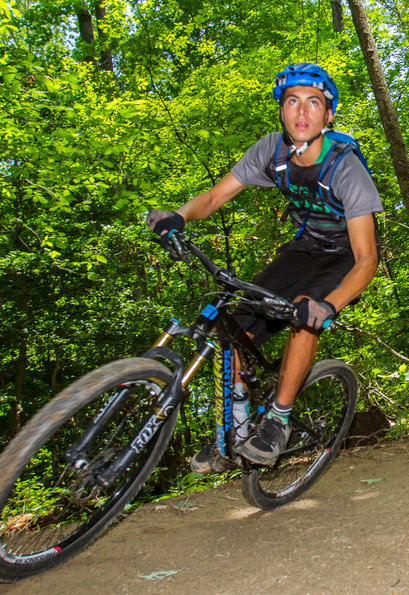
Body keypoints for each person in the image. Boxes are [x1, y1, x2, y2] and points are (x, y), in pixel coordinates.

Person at [146, 63, 383, 471]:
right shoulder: (270, 152)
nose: (302, 112)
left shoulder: (345, 166)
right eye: (292, 101)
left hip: (346, 256)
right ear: (281, 110)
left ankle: (278, 420)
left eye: (314, 103)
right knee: (235, 327)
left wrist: (330, 306)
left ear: (328, 115)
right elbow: (215, 197)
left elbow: (367, 259)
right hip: (304, 248)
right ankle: (231, 433)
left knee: (306, 312)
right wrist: (179, 216)